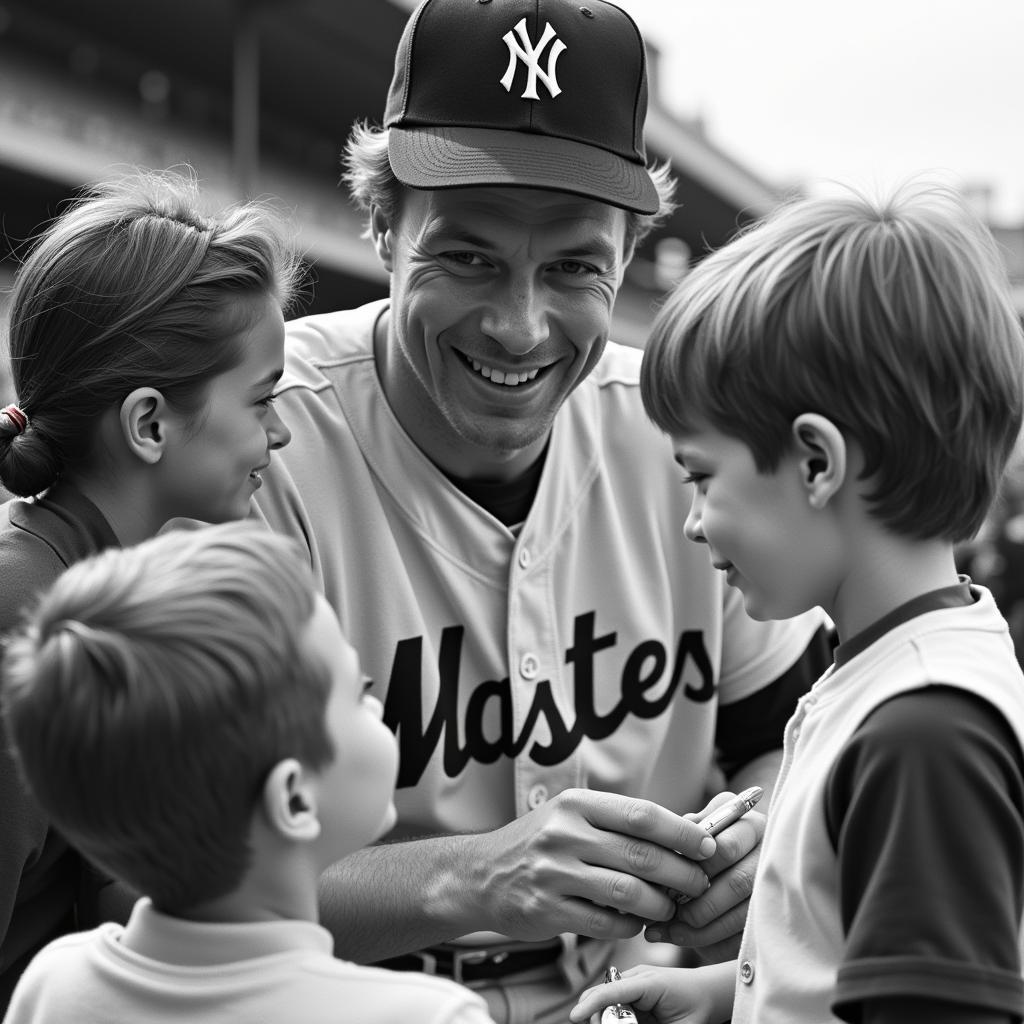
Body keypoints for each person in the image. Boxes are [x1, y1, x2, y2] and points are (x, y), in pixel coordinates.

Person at [253, 0, 832, 1021]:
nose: (519, 328)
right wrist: (469, 877)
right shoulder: (263, 446)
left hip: (636, 994)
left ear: (627, 250)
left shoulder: (678, 433)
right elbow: (155, 874)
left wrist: (766, 835)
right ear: (382, 223)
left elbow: (789, 732)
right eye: (467, 256)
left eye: (571, 267)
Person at [569, 181, 1024, 1024]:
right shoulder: (895, 675)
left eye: (701, 477)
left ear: (816, 463)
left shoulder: (923, 733)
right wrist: (720, 999)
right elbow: (847, 964)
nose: (694, 525)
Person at [0, 169, 300, 1011]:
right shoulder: (26, 626)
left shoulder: (94, 590)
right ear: (149, 423)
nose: (278, 429)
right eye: (261, 398)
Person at [0, 522, 497, 1023]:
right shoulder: (427, 1014)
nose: (374, 705)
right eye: (356, 690)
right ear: (295, 799)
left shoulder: (57, 982)